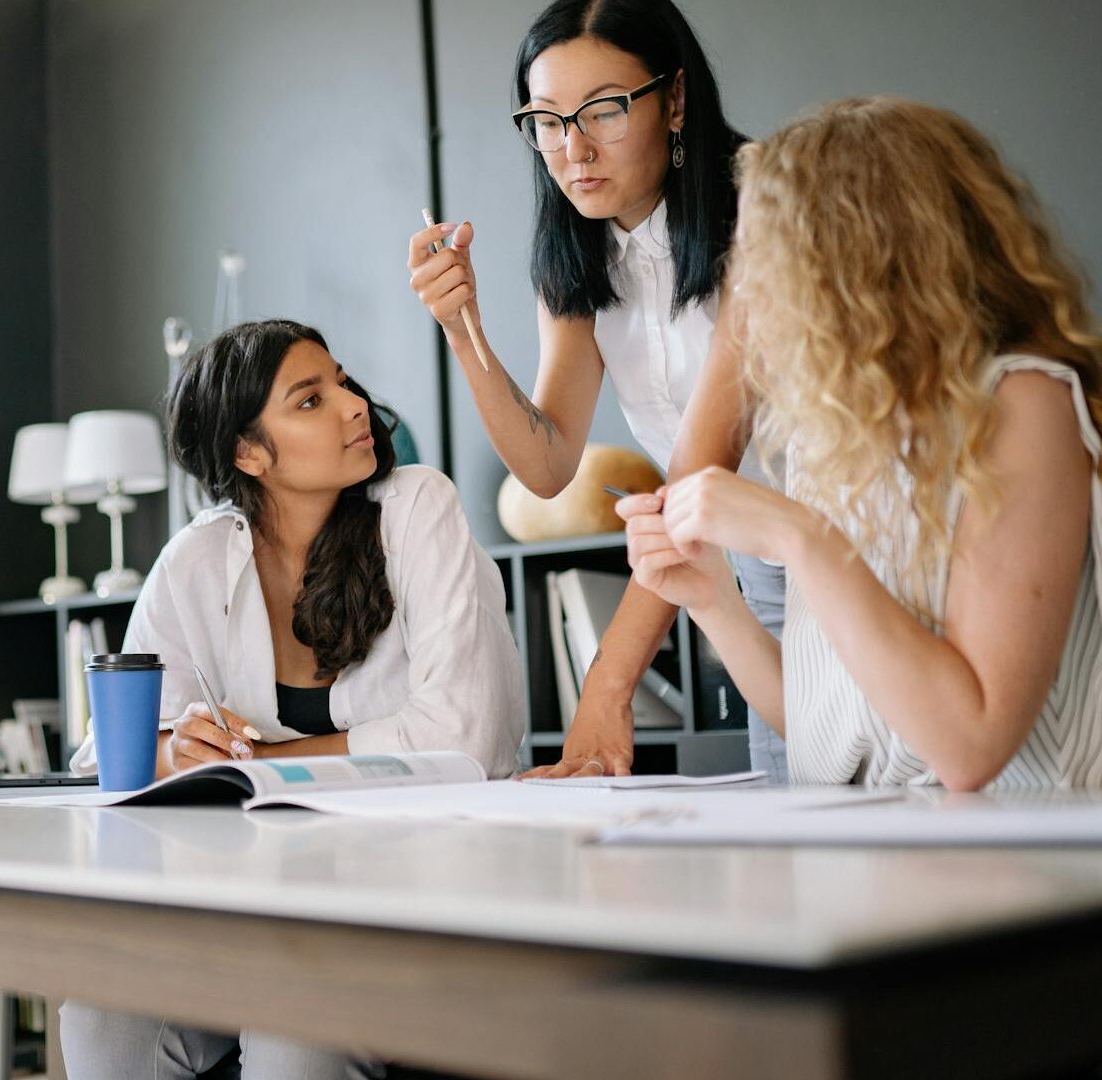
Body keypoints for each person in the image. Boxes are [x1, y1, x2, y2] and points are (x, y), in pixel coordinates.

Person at [62, 319, 523, 1078]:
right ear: (248, 452)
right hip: (251, 913)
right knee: (101, 1006)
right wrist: (173, 749)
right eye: (311, 399)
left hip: (415, 902)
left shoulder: (416, 508)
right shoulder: (195, 562)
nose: (352, 406)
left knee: (291, 1031)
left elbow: (463, 739)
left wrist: (267, 761)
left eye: (342, 383)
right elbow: (104, 760)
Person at [620, 97, 1102, 790]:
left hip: (1025, 868)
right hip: (880, 864)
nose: (745, 288)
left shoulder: (1023, 404)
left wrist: (801, 538)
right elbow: (833, 726)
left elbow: (970, 745)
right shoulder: (832, 437)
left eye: (760, 253)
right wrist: (710, 601)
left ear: (853, 257)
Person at [406, 0, 791, 780]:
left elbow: (702, 470)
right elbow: (548, 465)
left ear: (674, 98)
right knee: (806, 816)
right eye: (546, 120)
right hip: (754, 574)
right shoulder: (577, 261)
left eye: (604, 110)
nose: (572, 148)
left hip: (859, 548)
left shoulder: (765, 207)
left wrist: (607, 686)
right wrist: (461, 326)